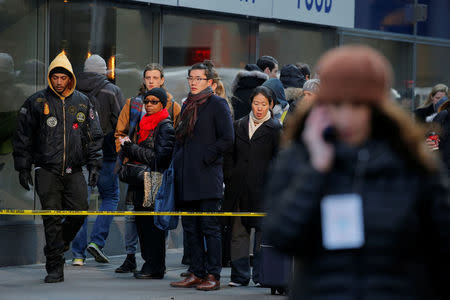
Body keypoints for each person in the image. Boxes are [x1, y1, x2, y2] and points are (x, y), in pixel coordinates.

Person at [264, 45, 450, 299]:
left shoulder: (411, 161)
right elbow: (282, 235)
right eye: (337, 103)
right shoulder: (302, 155)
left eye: (359, 105)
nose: (347, 116)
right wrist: (316, 170)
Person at [13, 52, 103, 283]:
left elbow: (93, 136)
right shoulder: (36, 102)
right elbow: (23, 137)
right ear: (50, 78)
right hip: (47, 170)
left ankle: (60, 244)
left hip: (74, 169)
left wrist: (94, 166)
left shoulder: (83, 101)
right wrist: (23, 167)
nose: (59, 82)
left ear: (70, 78)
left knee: (80, 210)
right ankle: (55, 266)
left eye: (63, 78)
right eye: (55, 78)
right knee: (51, 218)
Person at [170, 62, 234, 291]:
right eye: (191, 78)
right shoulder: (186, 104)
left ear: (210, 83)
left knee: (209, 227)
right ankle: (196, 272)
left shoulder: (218, 104)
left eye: (198, 78)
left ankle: (213, 275)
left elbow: (227, 139)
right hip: (186, 177)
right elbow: (180, 138)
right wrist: (179, 162)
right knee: (190, 228)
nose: (193, 82)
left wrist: (207, 156)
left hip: (207, 177)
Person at [114, 63, 179, 273]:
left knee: (154, 224)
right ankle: (142, 261)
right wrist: (125, 154)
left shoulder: (167, 119)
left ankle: (155, 264)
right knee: (138, 220)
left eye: (154, 101)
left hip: (155, 177)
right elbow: (120, 134)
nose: (149, 104)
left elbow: (159, 156)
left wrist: (131, 148)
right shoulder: (135, 107)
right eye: (147, 101)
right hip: (138, 176)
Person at [223, 86, 281, 287]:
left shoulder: (275, 128)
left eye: (263, 104)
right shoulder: (239, 125)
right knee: (239, 233)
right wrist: (230, 175)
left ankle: (260, 276)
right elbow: (229, 155)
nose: (259, 108)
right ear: (251, 103)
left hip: (264, 189)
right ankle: (239, 276)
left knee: (261, 236)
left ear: (270, 105)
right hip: (238, 187)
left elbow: (279, 159)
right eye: (256, 103)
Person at [71, 54, 125, 266]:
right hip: (107, 154)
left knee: (80, 203)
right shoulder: (112, 90)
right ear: (104, 72)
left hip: (79, 155)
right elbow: (121, 123)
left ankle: (77, 255)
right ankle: (97, 242)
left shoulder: (72, 90)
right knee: (110, 196)